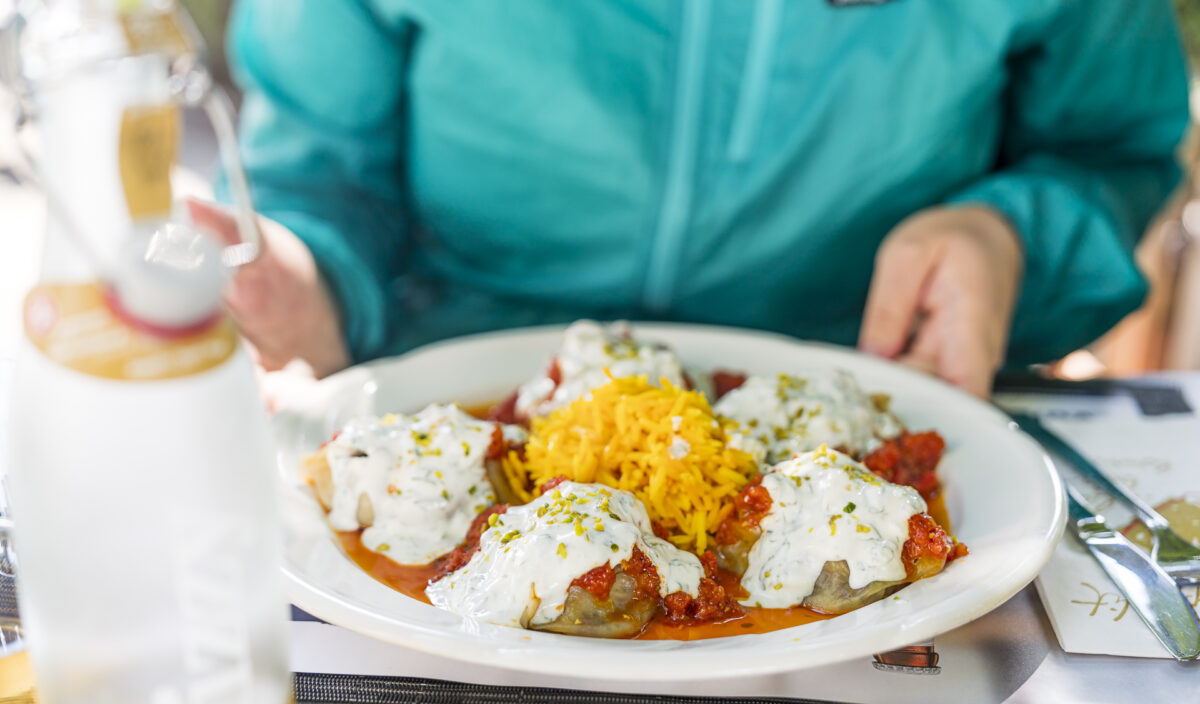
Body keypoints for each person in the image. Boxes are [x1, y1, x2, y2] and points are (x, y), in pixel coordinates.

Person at [193, 0, 1190, 398]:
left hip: (872, 409)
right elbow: (325, 173)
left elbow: (1113, 147)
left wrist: (1011, 236)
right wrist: (305, 278)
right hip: (452, 422)